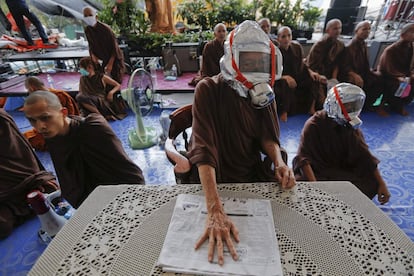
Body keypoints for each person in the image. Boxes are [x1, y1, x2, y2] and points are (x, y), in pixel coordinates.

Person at [186, 20, 296, 265]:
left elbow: (267, 136)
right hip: (215, 176)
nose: (255, 70)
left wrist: (278, 162)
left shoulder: (263, 93)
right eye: (249, 62)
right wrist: (214, 209)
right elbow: (203, 150)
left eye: (260, 62)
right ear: (232, 59)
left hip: (249, 170)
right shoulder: (208, 89)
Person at [23, 91, 145, 208]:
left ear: (63, 112)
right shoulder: (53, 135)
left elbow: (129, 172)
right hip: (88, 204)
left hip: (124, 197)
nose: (40, 126)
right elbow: (67, 177)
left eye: (45, 118)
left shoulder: (93, 128)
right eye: (32, 120)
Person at [292, 83, 391, 204]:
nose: (352, 112)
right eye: (348, 107)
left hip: (341, 172)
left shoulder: (349, 125)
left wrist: (382, 183)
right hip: (318, 173)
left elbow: (364, 155)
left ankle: (337, 199)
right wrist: (317, 189)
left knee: (371, 182)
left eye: (354, 107)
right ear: (334, 106)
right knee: (299, 184)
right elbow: (303, 159)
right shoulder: (313, 125)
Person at [0, 108, 58, 239]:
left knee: (49, 189)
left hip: (27, 182)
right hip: (5, 194)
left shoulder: (2, 119)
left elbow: (25, 156)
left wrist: (36, 180)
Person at [275, 26, 327, 122]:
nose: (286, 39)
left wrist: (311, 72)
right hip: (281, 78)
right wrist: (284, 77)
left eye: (289, 35)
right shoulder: (275, 51)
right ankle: (284, 112)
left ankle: (311, 108)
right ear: (278, 38)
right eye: (283, 36)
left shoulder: (297, 47)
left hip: (297, 76)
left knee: (313, 79)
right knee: (284, 83)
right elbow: (272, 71)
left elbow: (302, 64)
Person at [23, 76, 80, 151]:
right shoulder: (55, 94)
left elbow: (70, 115)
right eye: (32, 120)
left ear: (32, 88)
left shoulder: (59, 95)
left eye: (28, 90)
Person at [342, 21, 385, 114]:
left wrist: (372, 72)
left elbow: (365, 64)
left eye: (369, 29)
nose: (367, 31)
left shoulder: (364, 44)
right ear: (356, 31)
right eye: (364, 29)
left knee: (380, 79)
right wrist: (354, 74)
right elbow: (344, 66)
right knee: (355, 81)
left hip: (363, 72)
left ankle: (367, 105)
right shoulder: (349, 47)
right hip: (349, 74)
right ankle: (352, 109)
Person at [307, 18, 345, 109]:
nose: (338, 31)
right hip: (316, 73)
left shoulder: (340, 45)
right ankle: (311, 108)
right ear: (328, 30)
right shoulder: (320, 44)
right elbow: (311, 65)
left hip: (330, 74)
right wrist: (320, 76)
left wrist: (334, 78)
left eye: (339, 28)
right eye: (335, 28)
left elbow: (338, 64)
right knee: (322, 102)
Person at [377, 23, 414, 116]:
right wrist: (399, 77)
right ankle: (381, 106)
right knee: (398, 84)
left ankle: (399, 105)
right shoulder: (391, 50)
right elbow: (387, 67)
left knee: (411, 81)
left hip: (403, 74)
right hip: (388, 75)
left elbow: (410, 66)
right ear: (403, 34)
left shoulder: (411, 48)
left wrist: (410, 74)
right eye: (412, 32)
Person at [82, 6, 125, 84]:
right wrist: (93, 56)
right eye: (85, 16)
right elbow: (90, 45)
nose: (88, 17)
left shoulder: (106, 29)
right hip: (100, 60)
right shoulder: (87, 30)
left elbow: (114, 48)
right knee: (101, 83)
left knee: (115, 83)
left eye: (90, 15)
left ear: (96, 16)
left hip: (114, 60)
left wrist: (110, 64)